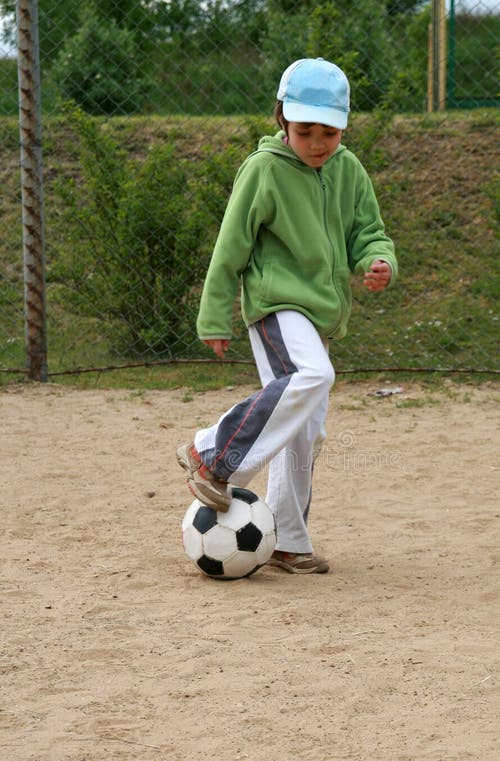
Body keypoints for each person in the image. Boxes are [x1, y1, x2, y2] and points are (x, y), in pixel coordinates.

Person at [177, 57, 397, 574]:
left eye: (330, 131)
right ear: (281, 119)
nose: (318, 142)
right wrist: (214, 316)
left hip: (319, 316)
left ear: (343, 126)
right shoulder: (264, 170)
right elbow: (230, 247)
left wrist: (378, 259)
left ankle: (287, 539)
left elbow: (369, 231)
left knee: (305, 430)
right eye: (305, 130)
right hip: (276, 305)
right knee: (313, 375)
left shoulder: (348, 170)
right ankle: (212, 451)